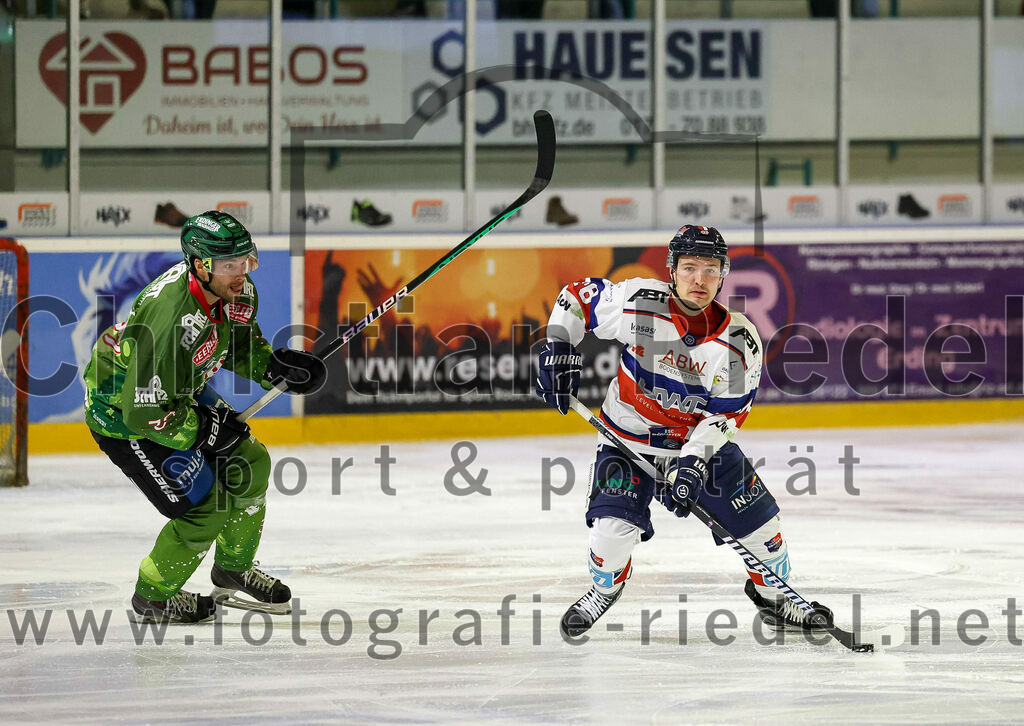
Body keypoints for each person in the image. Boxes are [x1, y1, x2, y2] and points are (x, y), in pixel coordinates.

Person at [535, 225, 833, 639]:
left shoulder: (739, 342)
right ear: (672, 270)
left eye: (710, 270)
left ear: (723, 275)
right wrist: (557, 348)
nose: (699, 279)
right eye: (689, 267)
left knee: (764, 534)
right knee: (609, 536)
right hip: (627, 441)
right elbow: (576, 297)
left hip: (698, 448)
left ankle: (775, 601)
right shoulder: (637, 303)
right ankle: (605, 589)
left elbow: (724, 417)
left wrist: (692, 467)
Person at [84, 211, 326, 623]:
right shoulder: (170, 317)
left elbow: (238, 343)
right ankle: (154, 597)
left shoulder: (236, 292)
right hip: (125, 415)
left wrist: (273, 367)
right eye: (230, 265)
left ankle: (232, 568)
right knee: (206, 506)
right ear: (200, 265)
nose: (241, 274)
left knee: (251, 462)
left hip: (176, 391)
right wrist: (205, 433)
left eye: (245, 260)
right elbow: (145, 411)